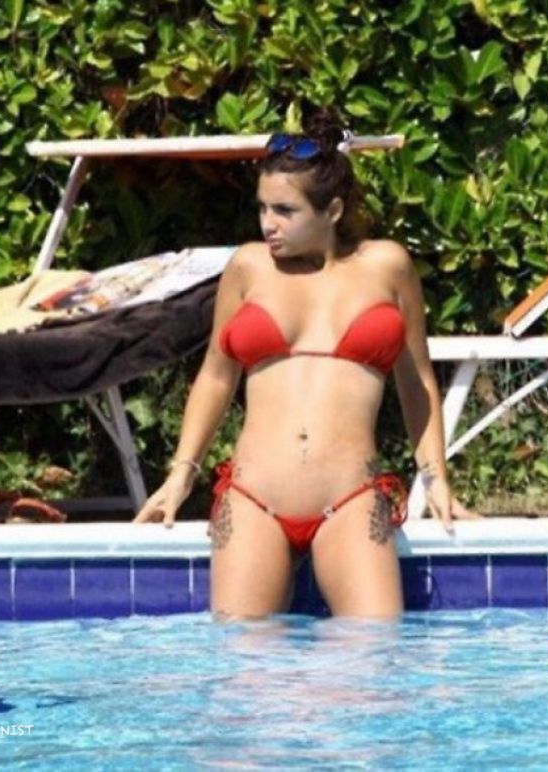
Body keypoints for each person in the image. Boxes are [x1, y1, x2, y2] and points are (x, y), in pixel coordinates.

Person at [134, 115, 472, 620]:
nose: (267, 223)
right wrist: (181, 475)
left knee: (374, 652)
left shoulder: (388, 267)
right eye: (262, 207)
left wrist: (436, 478)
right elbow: (216, 376)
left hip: (351, 498)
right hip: (254, 499)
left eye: (285, 210)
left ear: (332, 210)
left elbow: (416, 379)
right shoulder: (248, 267)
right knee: (246, 658)